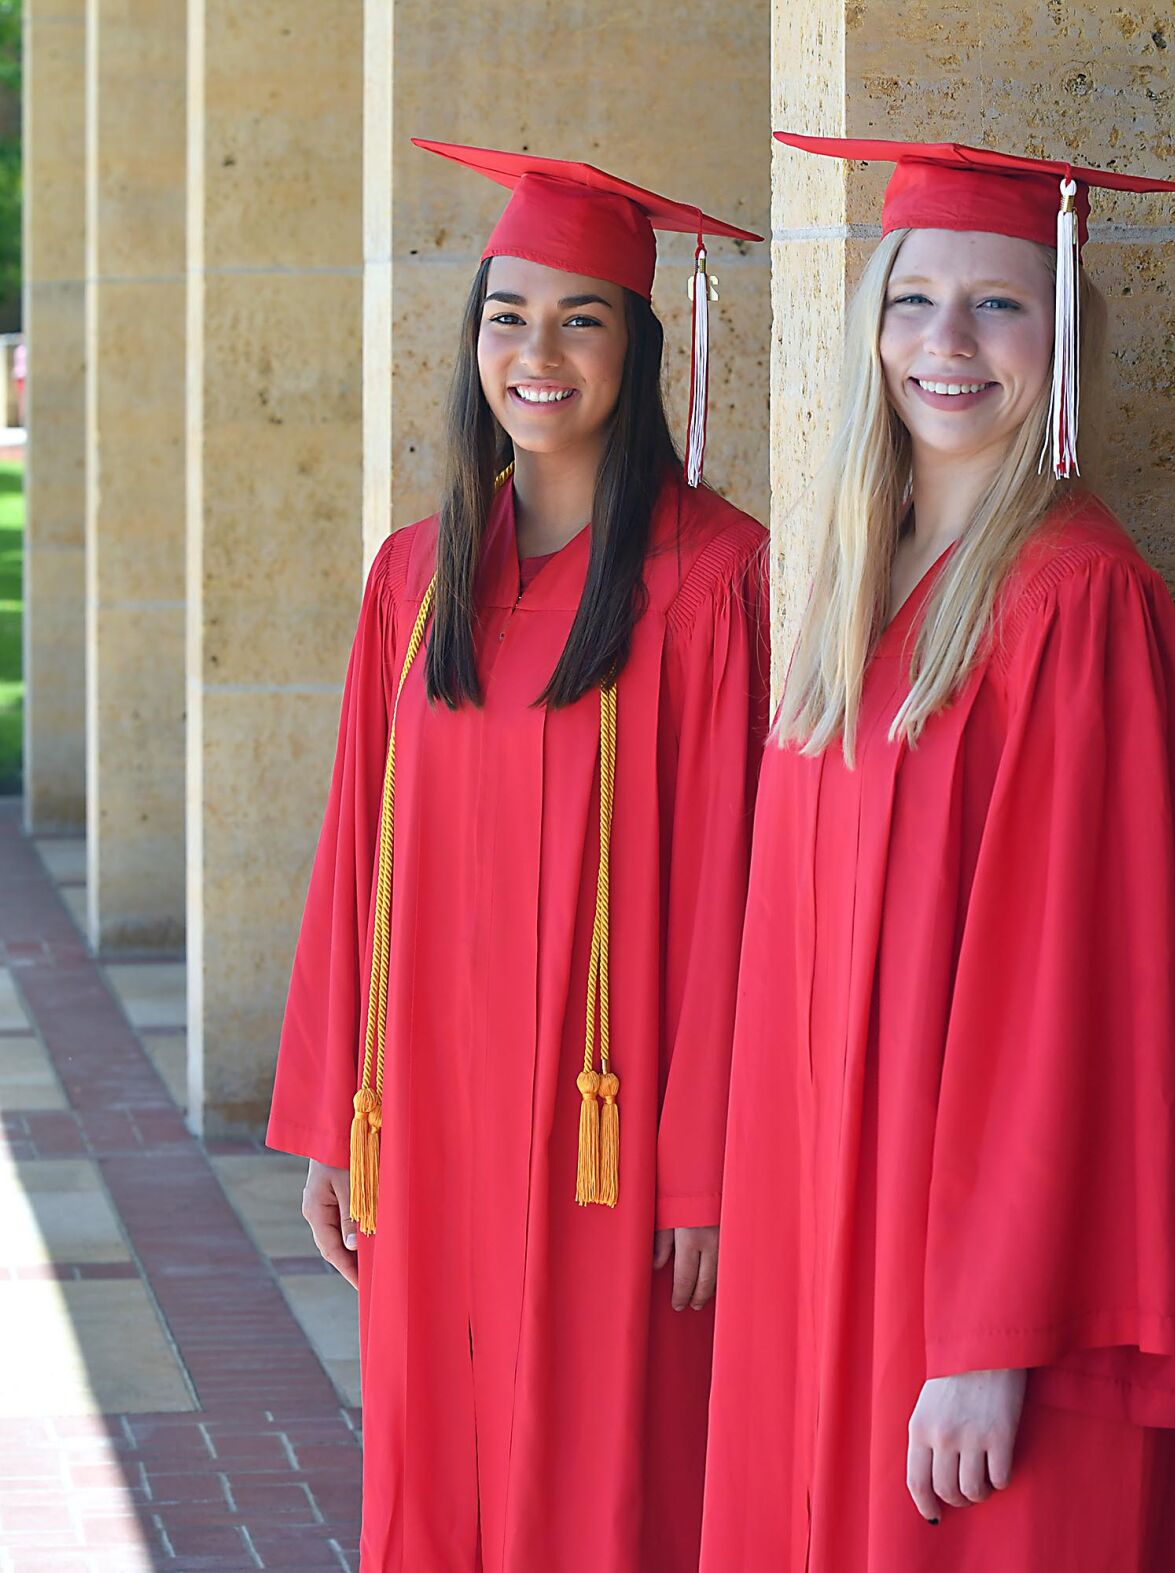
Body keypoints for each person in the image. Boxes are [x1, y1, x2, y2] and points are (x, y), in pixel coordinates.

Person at [700, 137, 1175, 1573]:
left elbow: (1075, 1003)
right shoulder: (858, 591)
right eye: (913, 300)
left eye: (1000, 305)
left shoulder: (1077, 601)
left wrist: (989, 1337)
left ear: (1065, 344)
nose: (946, 342)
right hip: (837, 1236)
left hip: (980, 1299)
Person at [268, 141, 769, 1573]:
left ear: (640, 346)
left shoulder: (713, 577)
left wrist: (705, 1171)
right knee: (436, 1458)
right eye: (507, 318)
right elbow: (353, 858)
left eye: (579, 319)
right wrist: (338, 1116)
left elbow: (737, 897)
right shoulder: (412, 578)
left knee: (607, 1469)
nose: (536, 356)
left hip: (612, 1141)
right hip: (427, 1120)